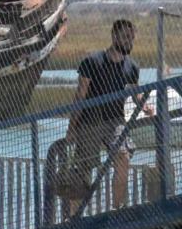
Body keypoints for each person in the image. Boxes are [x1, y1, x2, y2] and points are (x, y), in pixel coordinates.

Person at [63, 19, 153, 217]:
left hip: (115, 122)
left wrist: (145, 106)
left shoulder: (132, 67)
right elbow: (80, 95)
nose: (129, 41)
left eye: (132, 38)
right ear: (114, 36)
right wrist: (72, 128)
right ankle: (73, 217)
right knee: (83, 169)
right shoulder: (92, 62)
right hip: (90, 121)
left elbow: (136, 92)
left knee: (123, 157)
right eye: (125, 37)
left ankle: (116, 211)